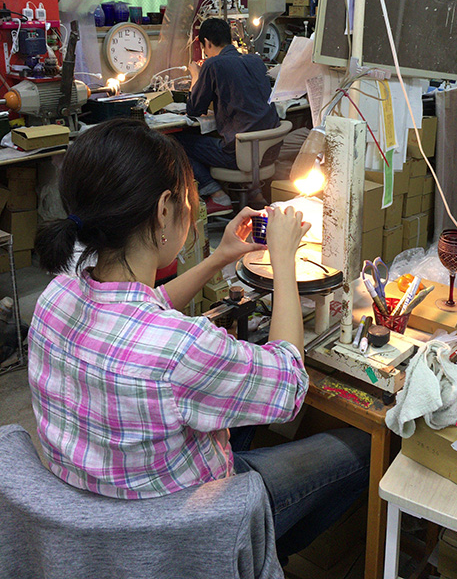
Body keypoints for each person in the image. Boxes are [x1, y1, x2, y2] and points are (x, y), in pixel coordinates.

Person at [30, 119, 369, 565]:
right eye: (188, 200)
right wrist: (283, 262)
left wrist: (219, 257)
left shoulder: (56, 296)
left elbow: (143, 307)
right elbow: (288, 383)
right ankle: (258, 551)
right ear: (163, 210)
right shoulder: (182, 349)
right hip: (185, 531)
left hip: (100, 515)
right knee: (363, 448)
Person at [177, 17, 280, 217]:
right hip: (268, 153)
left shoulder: (213, 64)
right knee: (237, 132)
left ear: (207, 43)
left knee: (176, 142)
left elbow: (194, 109)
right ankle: (255, 193)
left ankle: (216, 195)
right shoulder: (255, 61)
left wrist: (196, 75)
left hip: (238, 156)